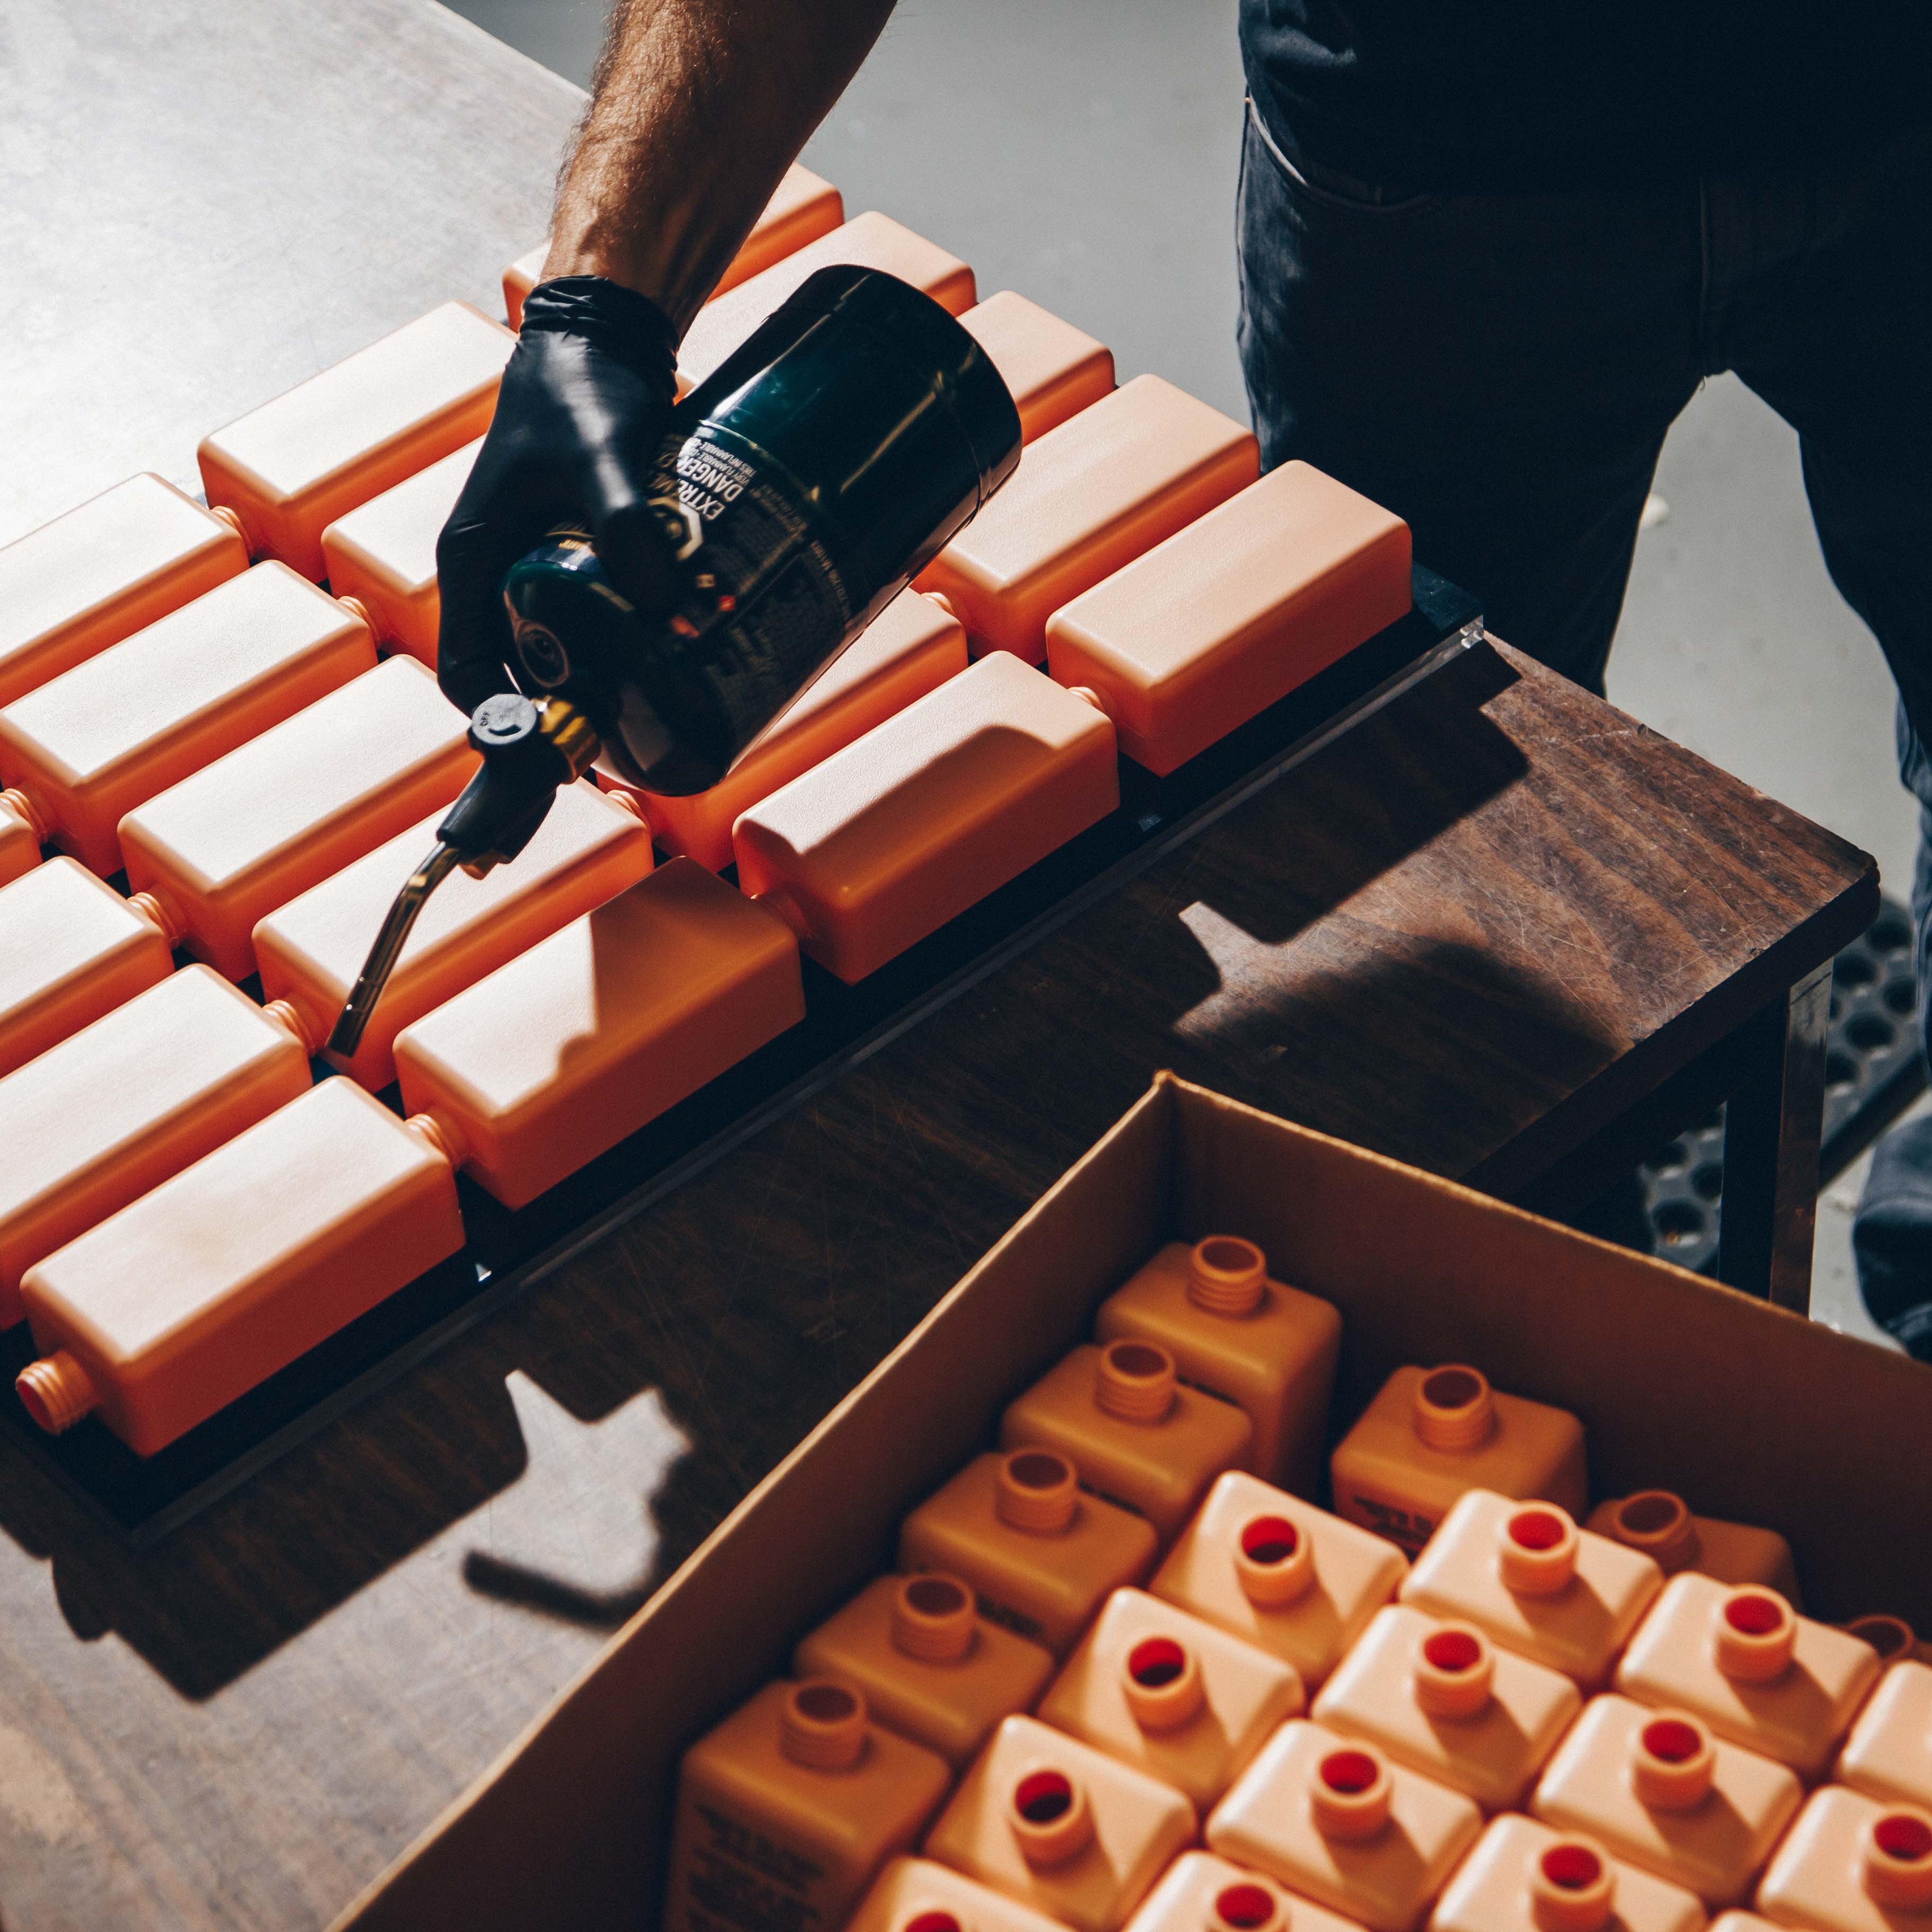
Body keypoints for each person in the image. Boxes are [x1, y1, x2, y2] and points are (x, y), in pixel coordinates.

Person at [439, 0, 1932, 1349]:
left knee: (1430, 804)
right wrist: (601, 302)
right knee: (1437, 812)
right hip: (1450, 160)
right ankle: (1544, 1376)